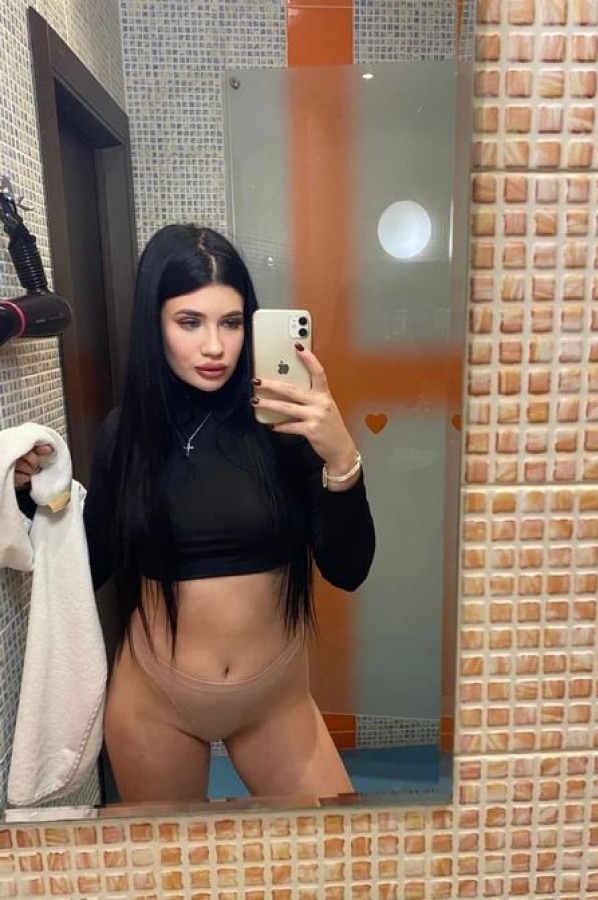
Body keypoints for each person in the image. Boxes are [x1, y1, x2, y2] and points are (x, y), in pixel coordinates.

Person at [14, 224, 375, 803]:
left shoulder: (286, 427)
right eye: (190, 322)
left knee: (339, 850)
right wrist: (26, 495)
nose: (215, 347)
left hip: (276, 701)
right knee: (170, 861)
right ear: (154, 323)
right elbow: (91, 565)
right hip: (154, 705)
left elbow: (348, 569)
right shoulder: (125, 435)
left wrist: (341, 457)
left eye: (231, 322)